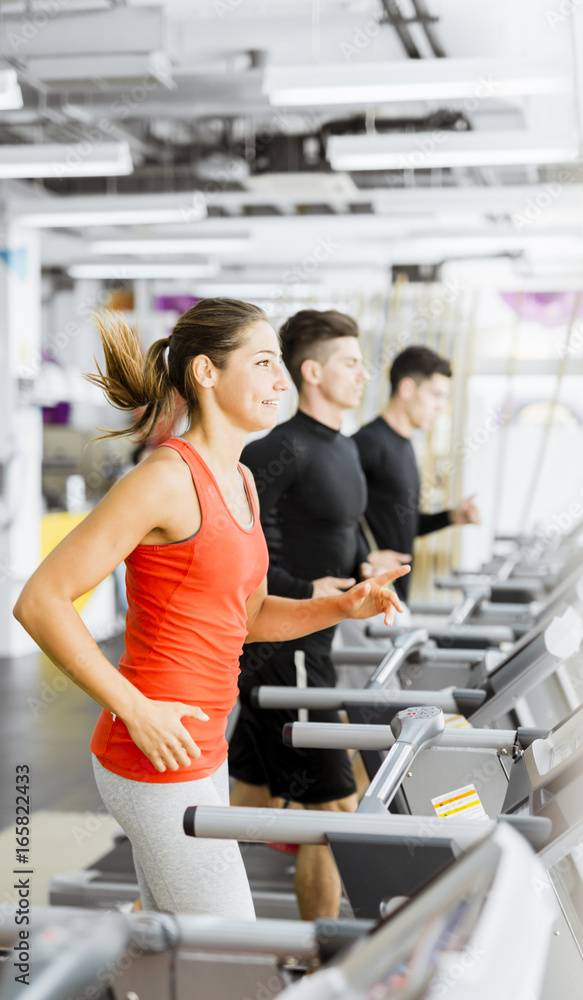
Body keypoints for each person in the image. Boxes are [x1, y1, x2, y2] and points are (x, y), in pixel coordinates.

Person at [13, 299, 408, 921]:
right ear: (206, 373)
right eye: (263, 363)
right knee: (230, 952)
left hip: (203, 746)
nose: (281, 379)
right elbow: (40, 602)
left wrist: (340, 606)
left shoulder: (242, 478)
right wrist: (134, 709)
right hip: (152, 754)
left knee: (168, 938)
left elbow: (246, 618)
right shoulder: (166, 478)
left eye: (281, 363)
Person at [228, 308, 405, 921]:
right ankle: (324, 963)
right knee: (335, 810)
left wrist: (365, 566)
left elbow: (337, 537)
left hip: (312, 643)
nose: (363, 375)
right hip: (287, 650)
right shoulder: (277, 449)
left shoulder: (342, 449)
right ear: (311, 372)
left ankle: (147, 923)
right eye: (350, 363)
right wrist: (307, 589)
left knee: (243, 802)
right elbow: (245, 552)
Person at [353, 345, 481, 603]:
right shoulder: (368, 442)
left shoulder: (406, 445)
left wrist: (451, 516)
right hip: (365, 594)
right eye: (436, 395)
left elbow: (402, 522)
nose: (441, 406)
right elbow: (330, 517)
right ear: (407, 389)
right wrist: (365, 556)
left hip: (393, 593)